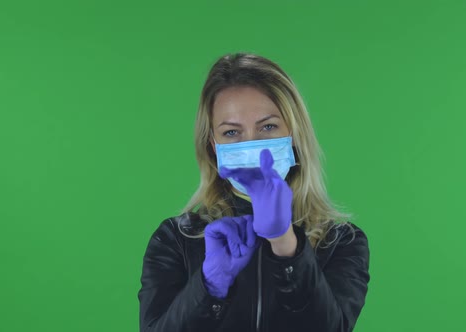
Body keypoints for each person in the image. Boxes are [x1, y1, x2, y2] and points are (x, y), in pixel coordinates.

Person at [138, 52, 370, 332]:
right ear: (213, 145)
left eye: (268, 127)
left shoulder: (341, 241)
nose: (252, 145)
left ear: (294, 134)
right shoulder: (175, 239)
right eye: (232, 133)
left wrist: (286, 245)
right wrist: (209, 285)